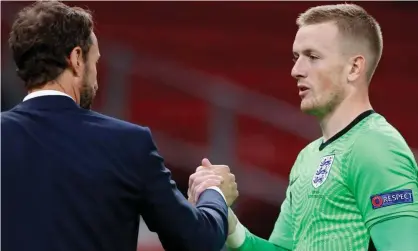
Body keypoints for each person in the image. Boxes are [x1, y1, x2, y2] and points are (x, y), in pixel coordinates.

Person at [1, 2, 238, 251]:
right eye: (95, 62)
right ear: (76, 58)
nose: (95, 78)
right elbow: (198, 241)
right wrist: (213, 192)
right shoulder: (128, 143)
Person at [189, 3, 418, 251]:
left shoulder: (376, 147)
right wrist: (228, 221)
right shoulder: (308, 157)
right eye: (297, 57)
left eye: (313, 57)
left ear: (353, 68)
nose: (296, 70)